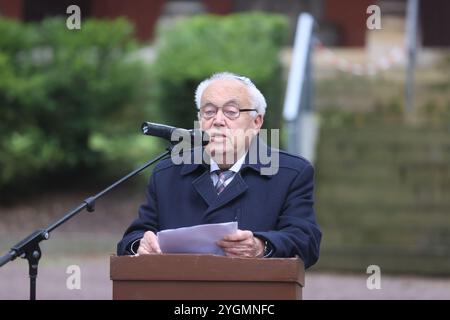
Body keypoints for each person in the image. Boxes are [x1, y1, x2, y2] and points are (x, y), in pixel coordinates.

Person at [117, 72, 321, 268]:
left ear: (256, 122)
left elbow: (306, 241)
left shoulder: (290, 173)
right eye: (209, 112)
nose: (218, 120)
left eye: (231, 112)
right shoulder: (167, 173)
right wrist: (141, 244)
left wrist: (261, 246)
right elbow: (132, 239)